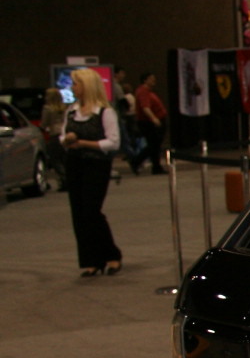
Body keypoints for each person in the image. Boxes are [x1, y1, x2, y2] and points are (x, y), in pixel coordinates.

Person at [60, 67, 124, 277]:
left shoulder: (105, 112)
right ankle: (91, 260)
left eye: (76, 83)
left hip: (96, 165)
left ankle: (112, 254)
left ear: (86, 86)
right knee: (78, 212)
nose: (73, 87)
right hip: (74, 163)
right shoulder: (71, 112)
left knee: (91, 210)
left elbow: (113, 142)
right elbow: (62, 137)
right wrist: (67, 140)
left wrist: (83, 143)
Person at [134, 71, 171, 173]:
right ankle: (136, 161)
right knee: (153, 145)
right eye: (151, 78)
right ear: (145, 80)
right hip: (148, 123)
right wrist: (154, 118)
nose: (154, 80)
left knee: (155, 145)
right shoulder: (143, 91)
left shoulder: (148, 91)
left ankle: (156, 167)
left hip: (152, 121)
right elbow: (145, 107)